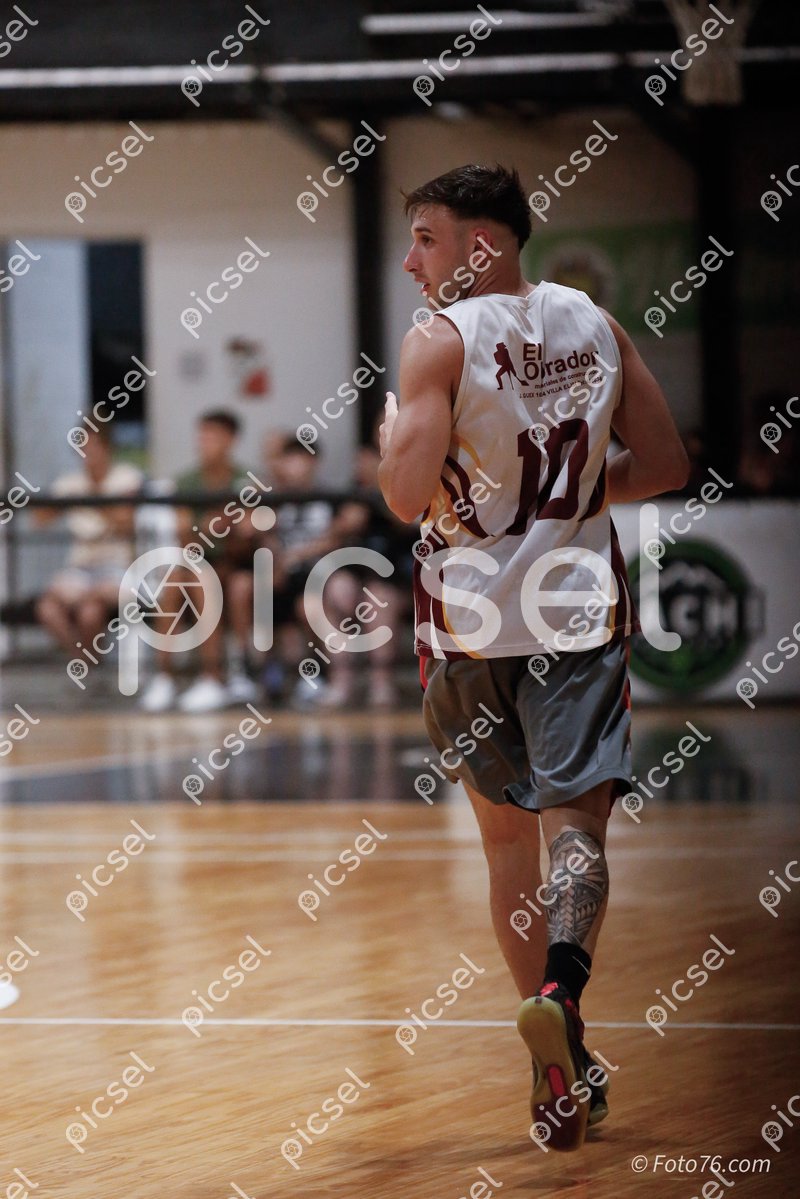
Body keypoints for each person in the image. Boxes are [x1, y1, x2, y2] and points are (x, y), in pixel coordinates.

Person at [377, 164, 688, 1151]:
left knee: (506, 848)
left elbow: (401, 494)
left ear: (480, 245)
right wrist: (575, 494)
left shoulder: (438, 339)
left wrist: (394, 440)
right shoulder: (595, 323)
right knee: (576, 833)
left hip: (466, 627)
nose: (410, 260)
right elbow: (666, 463)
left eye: (425, 237)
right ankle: (561, 992)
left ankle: (558, 1069)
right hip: (574, 614)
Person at [140, 410, 259, 713]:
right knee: (178, 578)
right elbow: (186, 540)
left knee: (206, 578)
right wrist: (216, 526)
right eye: (201, 435)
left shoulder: (247, 481)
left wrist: (217, 528)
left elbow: (247, 538)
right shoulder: (186, 482)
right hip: (200, 562)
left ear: (230, 440)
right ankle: (164, 677)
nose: (203, 442)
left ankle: (214, 676)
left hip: (240, 565)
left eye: (212, 436)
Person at [33, 428, 143, 653]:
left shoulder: (127, 477)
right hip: (80, 568)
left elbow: (126, 523)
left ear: (107, 448)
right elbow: (39, 519)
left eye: (93, 447)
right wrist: (61, 503)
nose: (88, 454)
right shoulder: (70, 482)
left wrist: (92, 499)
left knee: (89, 612)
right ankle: (81, 660)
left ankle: (86, 664)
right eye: (83, 448)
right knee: (47, 609)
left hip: (117, 568)